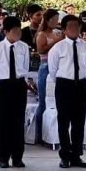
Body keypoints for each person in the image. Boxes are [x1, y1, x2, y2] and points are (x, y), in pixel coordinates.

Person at [49, 14, 86, 168]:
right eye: (71, 27)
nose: (74, 29)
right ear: (65, 30)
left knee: (79, 121)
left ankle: (76, 155)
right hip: (64, 85)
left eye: (77, 26)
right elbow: (53, 70)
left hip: (80, 85)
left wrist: (79, 80)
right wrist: (64, 81)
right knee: (63, 121)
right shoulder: (58, 47)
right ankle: (65, 155)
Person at [0, 16, 29, 168]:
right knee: (4, 122)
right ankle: (3, 157)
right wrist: (2, 83)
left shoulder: (24, 47)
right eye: (14, 31)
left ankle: (18, 157)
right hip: (4, 85)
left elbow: (25, 67)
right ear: (6, 32)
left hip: (19, 84)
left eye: (19, 31)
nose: (17, 34)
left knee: (18, 122)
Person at [35, 9, 63, 143]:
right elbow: (41, 49)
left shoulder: (57, 33)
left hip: (58, 67)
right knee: (43, 100)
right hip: (45, 66)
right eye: (54, 19)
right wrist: (56, 41)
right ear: (48, 20)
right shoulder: (41, 34)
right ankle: (40, 133)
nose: (57, 22)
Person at [21, 4, 44, 71]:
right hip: (28, 63)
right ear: (30, 16)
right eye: (38, 15)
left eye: (42, 15)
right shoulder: (24, 31)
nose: (41, 17)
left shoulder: (45, 31)